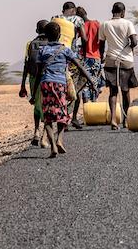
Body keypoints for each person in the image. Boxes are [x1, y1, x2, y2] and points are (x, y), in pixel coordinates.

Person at [34, 21, 95, 157]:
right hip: (60, 85)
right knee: (62, 113)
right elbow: (79, 66)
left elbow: (38, 73)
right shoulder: (65, 50)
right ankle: (59, 139)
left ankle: (53, 147)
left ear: (46, 35)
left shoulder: (42, 50)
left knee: (48, 117)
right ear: (60, 35)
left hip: (46, 84)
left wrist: (34, 94)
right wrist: (91, 81)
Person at [98, 2, 138, 130]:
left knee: (113, 91)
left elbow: (101, 44)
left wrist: (101, 57)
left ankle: (114, 120)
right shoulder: (128, 24)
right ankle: (125, 119)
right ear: (123, 12)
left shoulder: (105, 24)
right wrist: (129, 46)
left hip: (111, 60)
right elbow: (135, 42)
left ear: (112, 11)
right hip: (126, 61)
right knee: (125, 91)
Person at [51, 1, 87, 128]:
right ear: (73, 10)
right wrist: (85, 53)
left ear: (63, 10)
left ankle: (60, 116)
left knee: (61, 87)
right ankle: (73, 117)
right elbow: (84, 38)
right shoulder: (78, 19)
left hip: (56, 57)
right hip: (72, 58)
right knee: (76, 88)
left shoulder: (55, 18)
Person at [19, 19, 49, 146]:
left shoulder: (30, 44)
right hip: (48, 78)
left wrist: (22, 86)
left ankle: (36, 131)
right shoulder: (52, 44)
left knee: (37, 105)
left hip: (33, 78)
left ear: (37, 31)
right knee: (48, 106)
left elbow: (26, 64)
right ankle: (44, 137)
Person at [76, 5, 105, 104]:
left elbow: (81, 41)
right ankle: (93, 106)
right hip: (96, 57)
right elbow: (102, 42)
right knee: (94, 82)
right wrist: (101, 55)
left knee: (85, 84)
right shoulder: (97, 24)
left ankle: (87, 108)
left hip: (85, 58)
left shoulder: (81, 26)